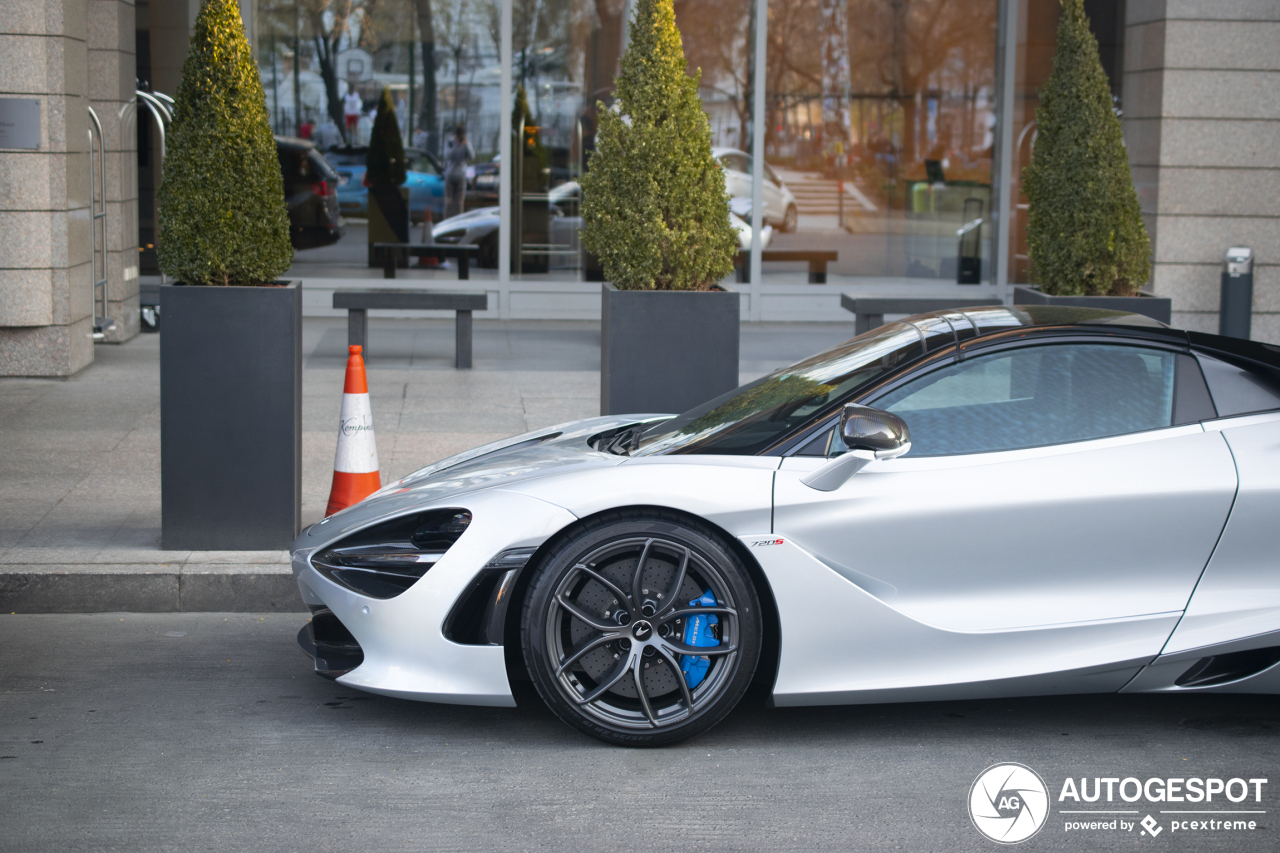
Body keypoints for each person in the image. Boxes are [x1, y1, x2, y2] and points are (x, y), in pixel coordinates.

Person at [443, 124, 474, 220]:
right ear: (455, 135)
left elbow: (472, 156)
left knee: (460, 203)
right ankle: (447, 221)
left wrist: (466, 145)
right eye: (458, 136)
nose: (460, 138)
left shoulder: (466, 143)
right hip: (450, 174)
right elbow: (448, 156)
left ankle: (458, 222)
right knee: (448, 202)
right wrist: (456, 145)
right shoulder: (450, 142)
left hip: (461, 175)